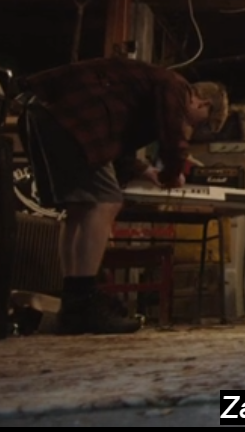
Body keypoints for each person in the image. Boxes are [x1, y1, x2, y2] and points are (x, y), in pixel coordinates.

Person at [16, 57, 229, 335]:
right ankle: (82, 300)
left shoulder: (145, 92)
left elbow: (117, 144)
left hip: (44, 113)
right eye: (204, 125)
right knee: (107, 202)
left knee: (79, 208)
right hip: (72, 117)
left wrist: (146, 171)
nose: (197, 130)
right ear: (203, 104)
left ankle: (73, 300)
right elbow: (173, 136)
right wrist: (173, 172)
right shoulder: (175, 86)